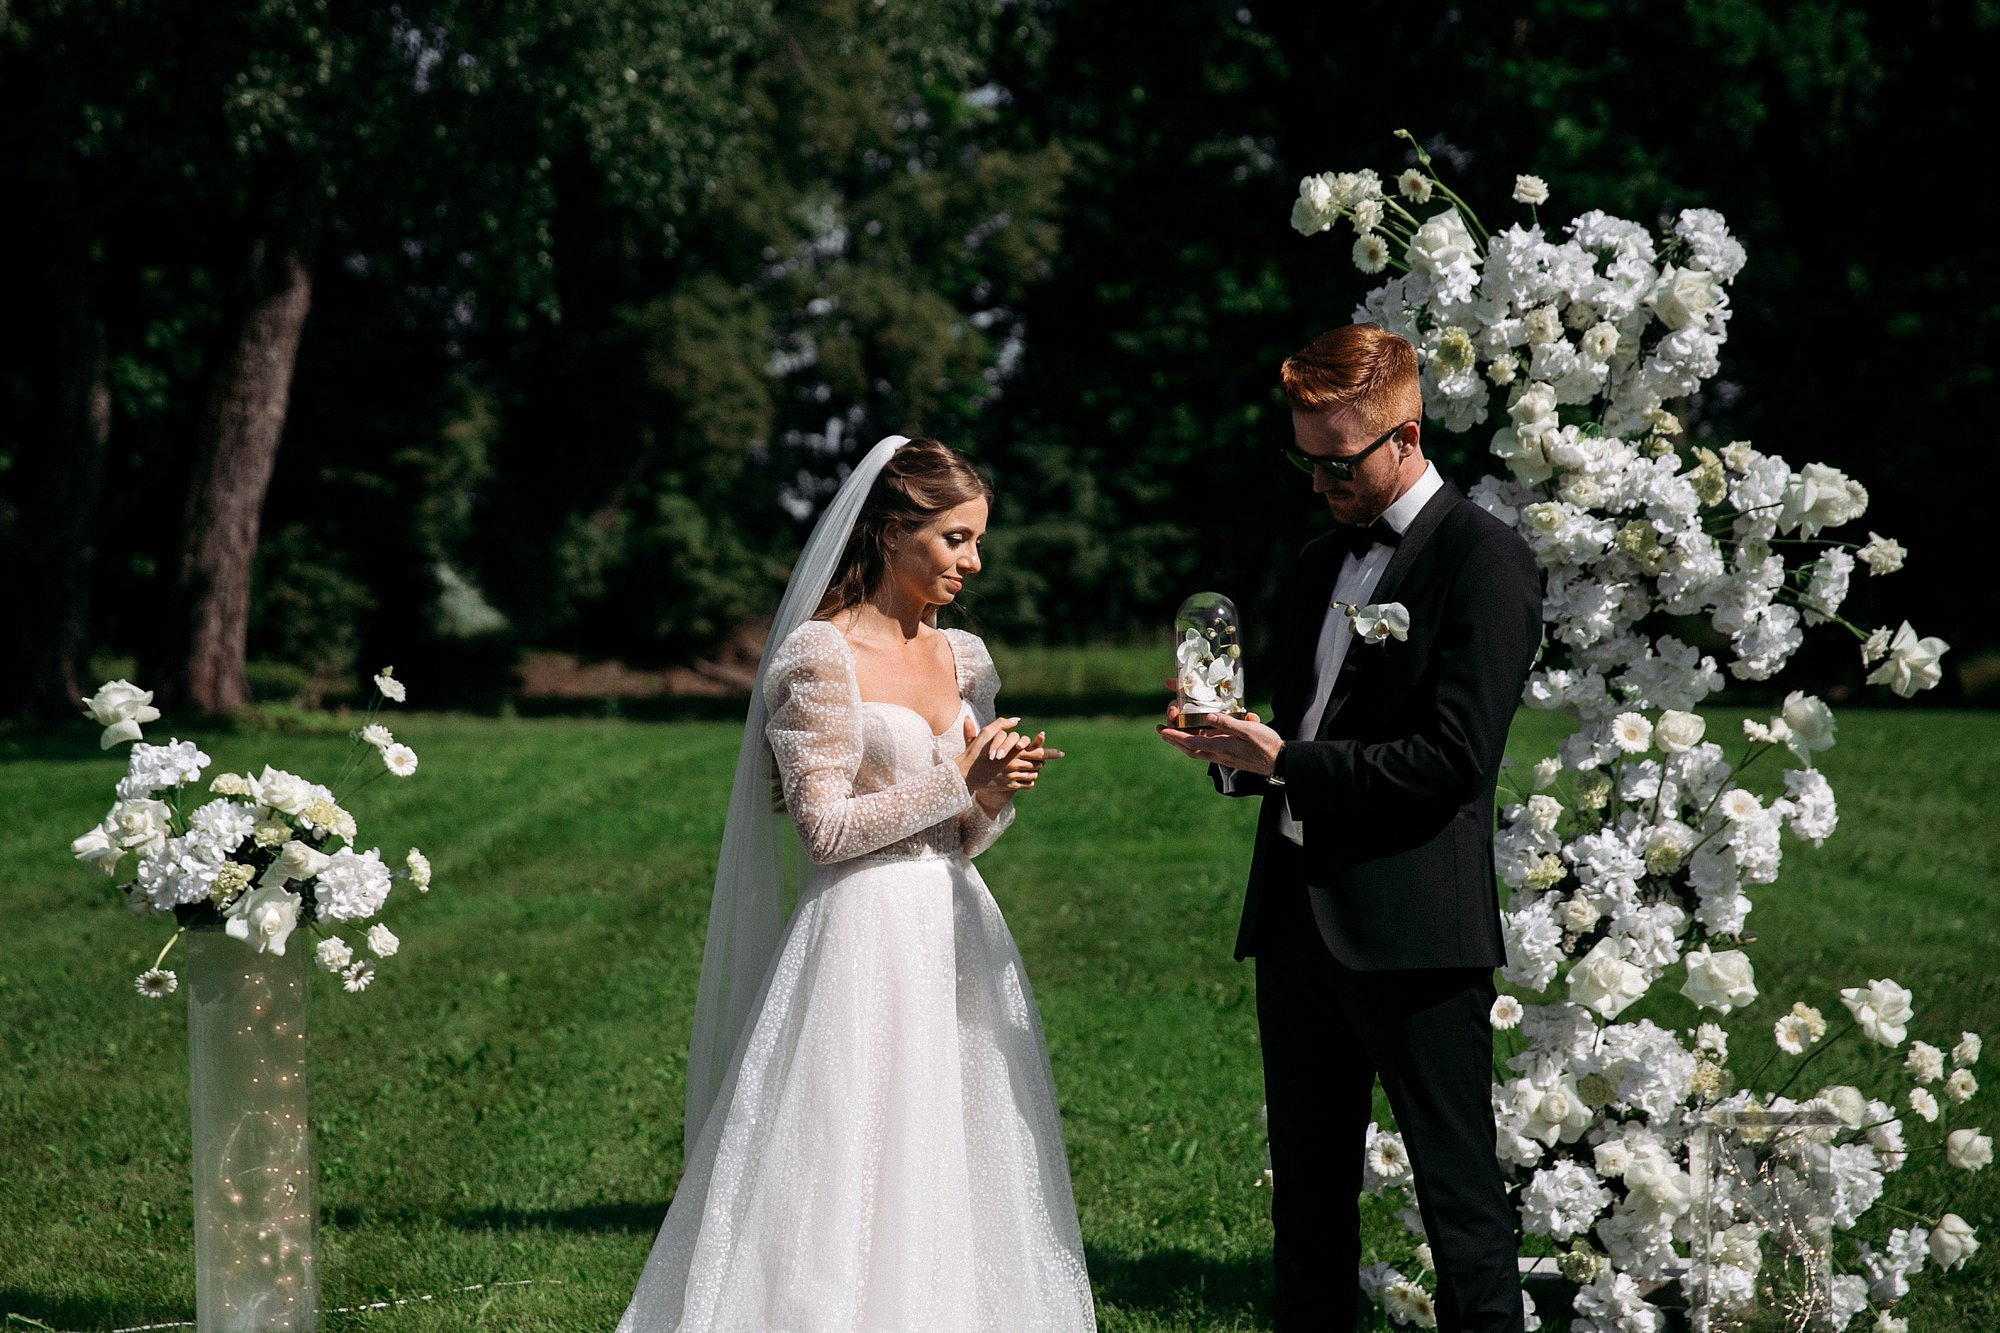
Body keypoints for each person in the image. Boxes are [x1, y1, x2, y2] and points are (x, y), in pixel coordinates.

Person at [619, 436, 1097, 1333]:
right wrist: (957, 779)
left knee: (958, 1141)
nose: (974, 561)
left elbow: (967, 832)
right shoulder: (818, 657)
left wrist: (988, 793)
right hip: (862, 932)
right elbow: (826, 829)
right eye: (955, 538)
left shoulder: (962, 657)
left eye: (977, 540)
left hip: (955, 923)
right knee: (848, 1150)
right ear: (890, 530)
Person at [1159, 324, 1542, 1332]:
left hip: (1414, 929)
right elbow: (1310, 731)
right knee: (1308, 1207)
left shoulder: (1483, 560)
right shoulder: (1318, 558)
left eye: (1337, 460)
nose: (1317, 479)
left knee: (1457, 1203)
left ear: (1405, 438)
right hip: (1293, 924)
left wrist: (1281, 759)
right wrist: (1238, 758)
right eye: (1304, 456)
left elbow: (1450, 764)